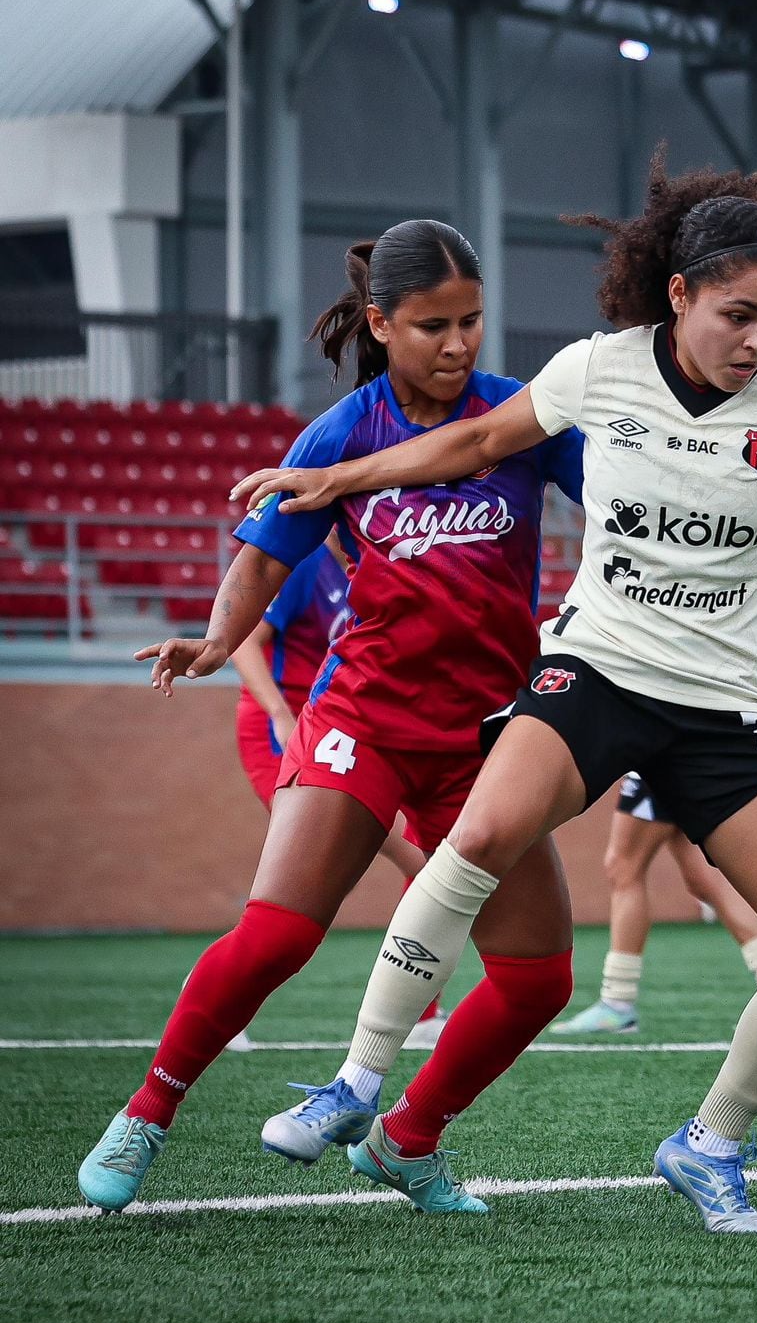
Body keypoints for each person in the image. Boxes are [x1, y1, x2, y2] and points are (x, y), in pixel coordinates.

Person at [231, 152, 757, 1235]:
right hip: (597, 669)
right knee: (483, 831)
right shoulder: (600, 368)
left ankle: (709, 1145)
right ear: (678, 296)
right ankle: (358, 1082)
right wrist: (337, 478)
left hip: (728, 707)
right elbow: (478, 439)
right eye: (737, 314)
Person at [77, 219, 587, 1217]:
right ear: (380, 322)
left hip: (488, 739)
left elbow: (623, 505)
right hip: (363, 716)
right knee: (275, 935)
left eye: (472, 320)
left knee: (537, 979)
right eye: (434, 324)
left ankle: (407, 1141)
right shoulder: (343, 432)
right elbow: (263, 559)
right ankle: (144, 1112)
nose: (458, 342)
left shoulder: (519, 419)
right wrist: (219, 640)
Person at [229, 531, 445, 1051]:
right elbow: (242, 641)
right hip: (286, 729)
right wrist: (281, 715)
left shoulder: (367, 563)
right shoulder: (305, 564)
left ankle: (420, 1013)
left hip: (341, 728)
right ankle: (218, 991)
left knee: (417, 863)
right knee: (397, 864)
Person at [551, 773, 757, 1036]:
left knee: (624, 866)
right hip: (691, 758)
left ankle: (618, 1000)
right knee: (704, 878)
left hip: (660, 756)